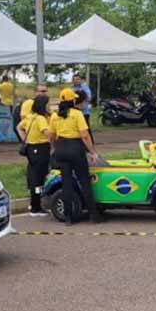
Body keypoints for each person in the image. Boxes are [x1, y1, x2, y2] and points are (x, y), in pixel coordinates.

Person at [51, 88, 101, 224]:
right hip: (76, 149)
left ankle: (68, 217)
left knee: (66, 183)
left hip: (61, 148)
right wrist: (92, 152)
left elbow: (51, 135)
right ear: (72, 100)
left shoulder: (55, 116)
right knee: (84, 182)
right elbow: (85, 135)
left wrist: (55, 147)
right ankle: (93, 215)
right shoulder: (77, 114)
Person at [17, 94, 55, 216]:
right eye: (48, 104)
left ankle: (35, 204)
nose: (50, 106)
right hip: (40, 149)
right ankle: (36, 207)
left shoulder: (30, 117)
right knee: (39, 178)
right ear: (43, 105)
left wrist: (25, 140)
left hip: (31, 149)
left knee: (34, 176)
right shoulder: (40, 119)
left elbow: (19, 127)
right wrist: (54, 139)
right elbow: (47, 132)